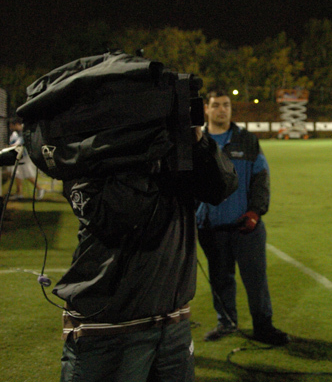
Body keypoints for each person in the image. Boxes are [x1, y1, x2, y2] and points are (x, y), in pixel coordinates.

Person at [56, 126, 238, 382]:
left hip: (172, 319)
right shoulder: (95, 134)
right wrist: (147, 143)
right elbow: (118, 215)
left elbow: (222, 187)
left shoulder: (176, 140)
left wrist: (198, 142)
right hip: (109, 326)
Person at [196, 89, 289, 346]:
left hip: (246, 226)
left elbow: (261, 177)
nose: (221, 110)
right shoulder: (197, 141)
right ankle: (226, 323)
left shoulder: (246, 140)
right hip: (211, 227)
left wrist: (255, 211)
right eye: (216, 105)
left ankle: (263, 326)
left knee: (255, 278)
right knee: (220, 278)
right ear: (206, 109)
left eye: (226, 105)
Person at [8, 117, 45, 200]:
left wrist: (12, 146)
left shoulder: (23, 131)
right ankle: (19, 193)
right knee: (17, 175)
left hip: (24, 157)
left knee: (28, 175)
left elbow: (21, 142)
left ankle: (40, 189)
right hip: (18, 157)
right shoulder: (16, 133)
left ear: (17, 124)